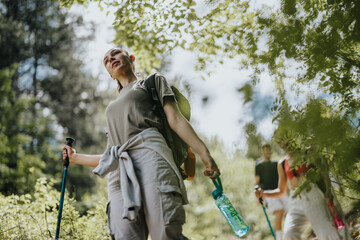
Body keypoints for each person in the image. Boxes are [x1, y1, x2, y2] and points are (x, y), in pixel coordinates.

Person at [62, 47, 220, 240]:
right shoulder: (112, 108)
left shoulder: (152, 82)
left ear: (131, 58)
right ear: (110, 75)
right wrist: (75, 157)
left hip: (151, 156)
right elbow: (109, 154)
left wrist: (204, 153)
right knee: (125, 235)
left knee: (165, 231)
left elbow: (176, 119)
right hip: (119, 171)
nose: (110, 58)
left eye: (115, 53)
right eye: (106, 60)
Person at [255, 138, 343, 240]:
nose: (282, 143)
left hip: (312, 194)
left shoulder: (306, 152)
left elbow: (323, 172)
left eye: (283, 138)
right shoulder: (282, 163)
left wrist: (328, 191)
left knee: (326, 233)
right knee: (289, 235)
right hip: (295, 199)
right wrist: (263, 193)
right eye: (279, 141)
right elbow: (281, 191)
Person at [255, 142, 287, 240]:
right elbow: (256, 182)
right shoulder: (259, 165)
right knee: (279, 211)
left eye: (269, 149)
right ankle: (278, 238)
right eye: (266, 149)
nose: (268, 151)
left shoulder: (276, 164)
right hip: (267, 192)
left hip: (279, 190)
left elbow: (282, 178)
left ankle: (288, 235)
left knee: (288, 211)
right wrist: (258, 196)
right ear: (262, 151)